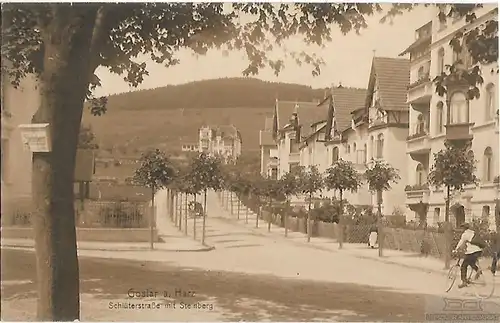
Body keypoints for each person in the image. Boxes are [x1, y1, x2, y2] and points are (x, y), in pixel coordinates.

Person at [452, 223, 484, 288]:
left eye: (462, 228)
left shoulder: (465, 235)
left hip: (472, 251)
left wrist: (456, 249)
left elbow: (461, 242)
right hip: (479, 251)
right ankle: (478, 270)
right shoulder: (473, 232)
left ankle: (464, 281)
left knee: (463, 266)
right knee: (471, 262)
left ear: (463, 228)